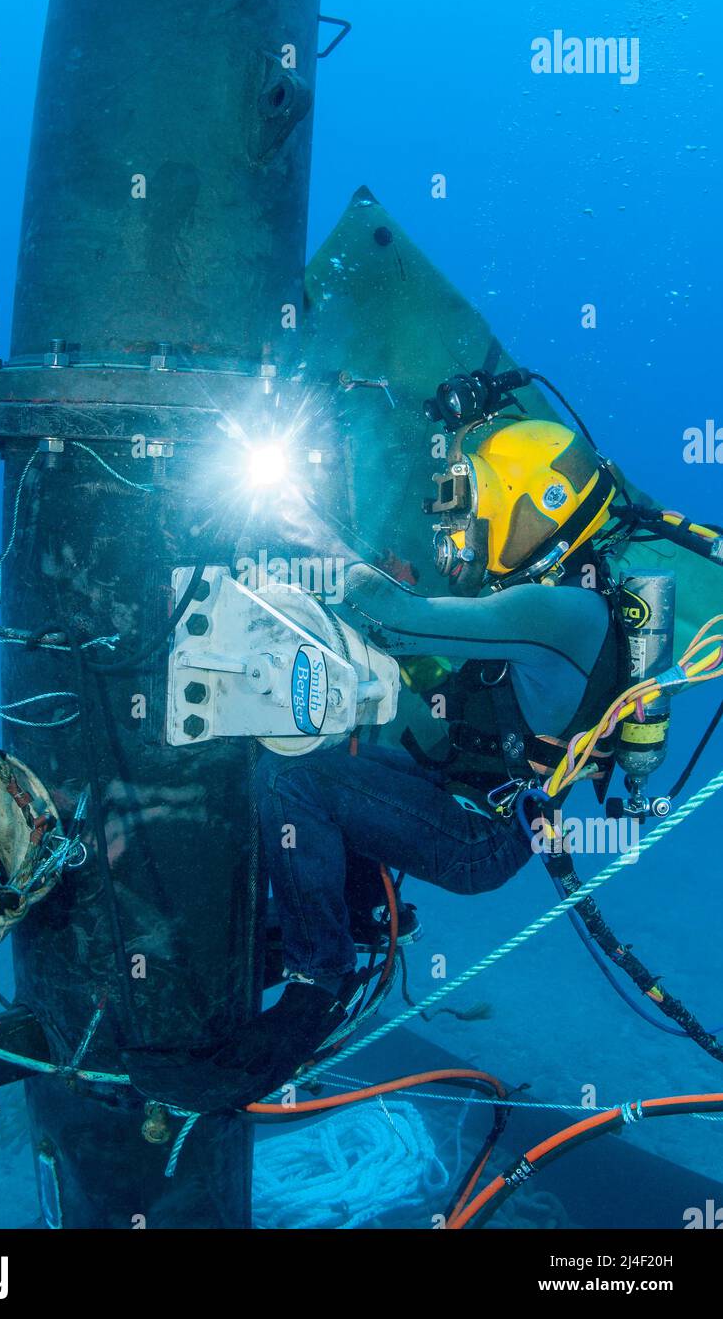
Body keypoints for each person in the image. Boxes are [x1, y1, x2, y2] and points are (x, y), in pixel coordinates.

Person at [128, 419, 620, 1112]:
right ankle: (348, 916)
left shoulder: (565, 610)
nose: (463, 527)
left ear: (531, 503)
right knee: (315, 756)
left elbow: (397, 621)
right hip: (462, 799)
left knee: (293, 778)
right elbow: (432, 663)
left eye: (472, 503)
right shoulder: (560, 601)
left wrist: (311, 534)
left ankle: (315, 985)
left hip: (481, 833)